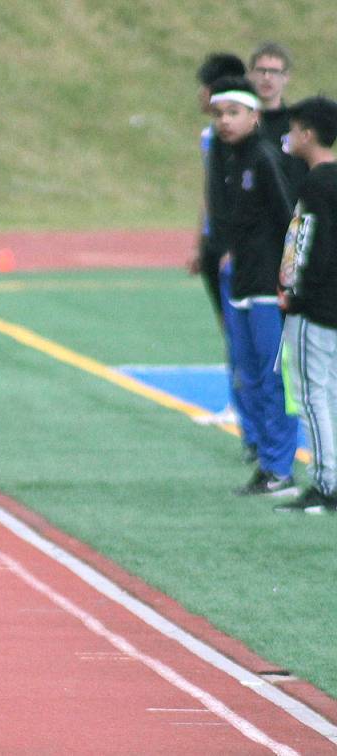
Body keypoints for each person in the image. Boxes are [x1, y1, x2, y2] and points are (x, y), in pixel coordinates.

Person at [207, 76, 299, 496]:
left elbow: (290, 221)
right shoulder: (226, 160)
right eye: (219, 114)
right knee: (249, 375)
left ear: (254, 116)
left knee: (273, 376)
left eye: (233, 113)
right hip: (241, 282)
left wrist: (288, 280)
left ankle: (281, 468)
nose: (224, 122)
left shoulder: (263, 158)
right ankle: (266, 462)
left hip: (267, 285)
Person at [189, 53, 259, 459]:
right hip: (219, 243)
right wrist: (199, 240)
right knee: (231, 331)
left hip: (238, 248)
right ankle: (242, 409)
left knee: (243, 334)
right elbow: (210, 191)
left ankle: (251, 415)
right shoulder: (211, 137)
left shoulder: (243, 142)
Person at [274, 96, 337, 513]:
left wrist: (295, 293)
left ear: (308, 134)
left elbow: (310, 243)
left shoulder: (316, 184)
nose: (290, 136)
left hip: (315, 308)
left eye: (295, 129)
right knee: (329, 391)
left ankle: (326, 482)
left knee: (312, 393)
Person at [247, 41, 308, 189]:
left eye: (274, 72)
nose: (267, 77)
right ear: (250, 74)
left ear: (286, 77)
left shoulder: (296, 124)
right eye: (261, 70)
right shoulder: (240, 121)